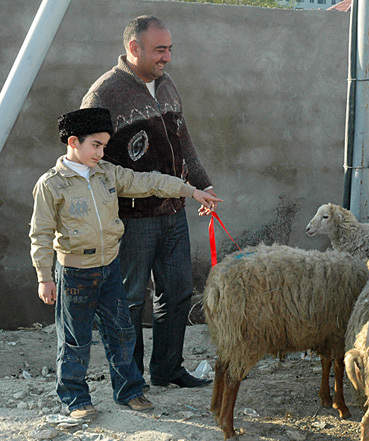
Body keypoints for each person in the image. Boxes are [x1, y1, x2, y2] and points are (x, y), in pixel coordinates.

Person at [29, 108, 220, 419]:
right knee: (75, 338)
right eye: (96, 145)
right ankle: (75, 400)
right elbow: (40, 233)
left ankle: (129, 391)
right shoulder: (51, 185)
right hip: (75, 274)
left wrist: (192, 191)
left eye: (104, 146)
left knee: (122, 332)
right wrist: (43, 277)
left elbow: (148, 182)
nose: (102, 152)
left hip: (110, 269)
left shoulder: (108, 173)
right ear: (74, 141)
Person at [81, 16, 217, 388]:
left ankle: (168, 370)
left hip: (174, 212)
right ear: (133, 49)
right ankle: (130, 378)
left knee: (176, 293)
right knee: (128, 300)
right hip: (132, 218)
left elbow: (184, 143)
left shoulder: (168, 86)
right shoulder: (103, 94)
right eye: (160, 50)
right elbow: (88, 161)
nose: (167, 58)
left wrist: (202, 187)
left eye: (169, 49)